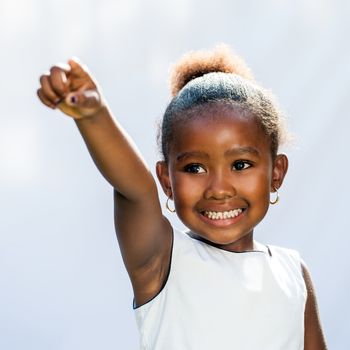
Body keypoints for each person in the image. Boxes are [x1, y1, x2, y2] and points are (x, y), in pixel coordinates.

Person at [37, 45, 327, 349]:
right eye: (195, 167)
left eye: (240, 165)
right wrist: (94, 116)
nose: (219, 188)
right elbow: (134, 189)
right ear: (167, 181)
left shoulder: (292, 272)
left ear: (276, 174)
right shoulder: (162, 260)